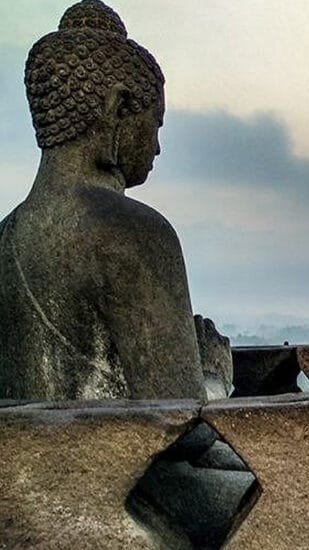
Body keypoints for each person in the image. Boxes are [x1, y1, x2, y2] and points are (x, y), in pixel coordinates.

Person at [0, 0, 208, 400]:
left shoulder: (4, 237)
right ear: (119, 107)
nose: (158, 147)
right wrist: (216, 373)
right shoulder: (134, 233)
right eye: (155, 123)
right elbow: (184, 425)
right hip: (115, 461)